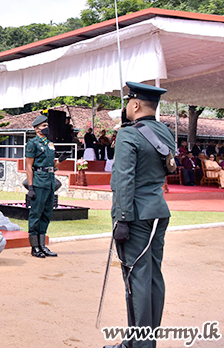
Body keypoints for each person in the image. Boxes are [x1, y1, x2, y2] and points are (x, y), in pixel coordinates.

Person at [107, 81, 175, 348]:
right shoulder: (164, 133)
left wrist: (121, 218)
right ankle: (144, 340)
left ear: (135, 105)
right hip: (158, 210)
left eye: (128, 102)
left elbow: (123, 179)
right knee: (153, 277)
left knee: (136, 279)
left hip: (134, 215)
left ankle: (139, 345)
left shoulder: (128, 135)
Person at [25, 113, 61, 258]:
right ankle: (35, 247)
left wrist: (61, 161)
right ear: (36, 129)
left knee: (46, 214)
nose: (47, 128)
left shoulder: (50, 144)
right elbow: (28, 167)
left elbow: (53, 165)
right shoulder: (32, 144)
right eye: (44, 126)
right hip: (39, 182)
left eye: (47, 126)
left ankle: (42, 246)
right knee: (36, 214)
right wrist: (31, 187)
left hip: (50, 181)